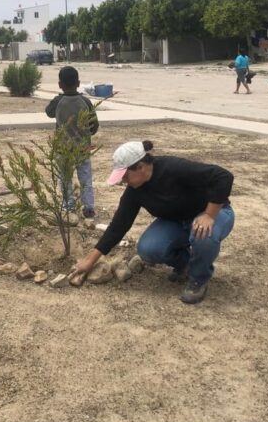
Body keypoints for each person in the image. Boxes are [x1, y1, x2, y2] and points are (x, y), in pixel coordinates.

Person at [71, 141, 235, 304]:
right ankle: (187, 266)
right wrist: (89, 260)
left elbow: (223, 176)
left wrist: (209, 215)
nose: (123, 181)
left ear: (141, 167)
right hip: (177, 222)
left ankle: (199, 279)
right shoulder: (134, 191)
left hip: (214, 213)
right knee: (148, 249)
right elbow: (118, 226)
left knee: (204, 235)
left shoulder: (173, 168)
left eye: (125, 176)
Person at [45, 66, 100, 219]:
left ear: (60, 84)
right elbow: (94, 126)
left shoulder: (58, 101)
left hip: (63, 150)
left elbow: (48, 112)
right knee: (85, 179)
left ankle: (68, 208)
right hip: (82, 149)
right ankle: (88, 208)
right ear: (78, 83)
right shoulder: (85, 101)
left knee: (65, 179)